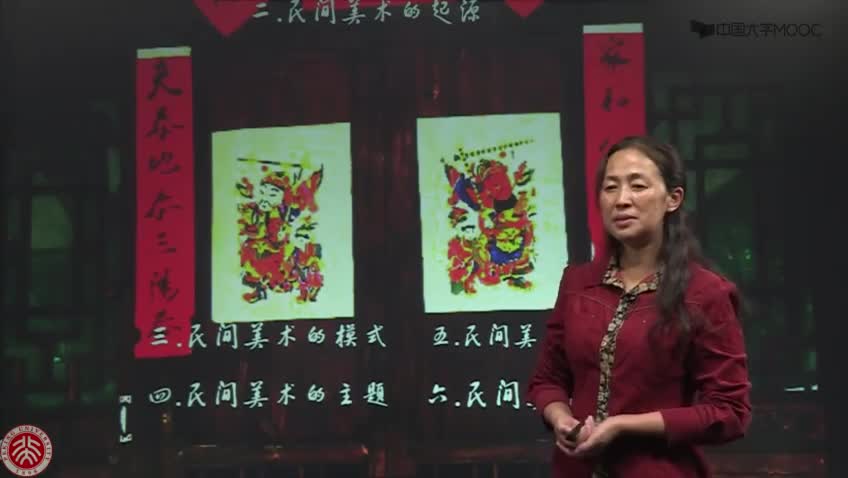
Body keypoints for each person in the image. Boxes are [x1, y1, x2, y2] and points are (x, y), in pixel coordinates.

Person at [526, 136, 752, 477]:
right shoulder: (578, 283)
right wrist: (561, 419)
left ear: (673, 199)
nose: (622, 200)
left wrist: (622, 426)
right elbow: (547, 380)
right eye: (610, 187)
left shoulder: (706, 293)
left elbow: (730, 411)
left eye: (638, 186)